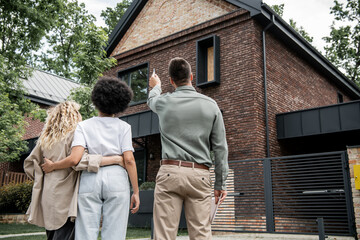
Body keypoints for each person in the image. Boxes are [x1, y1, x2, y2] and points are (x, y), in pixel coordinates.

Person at [42, 77, 140, 240]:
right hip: (117, 178)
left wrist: (53, 166)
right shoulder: (124, 127)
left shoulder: (83, 126)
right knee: (114, 232)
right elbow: (129, 160)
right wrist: (136, 191)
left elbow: (75, 159)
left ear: (96, 100)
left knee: (85, 232)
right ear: (120, 104)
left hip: (90, 177)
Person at [148, 57, 229, 240]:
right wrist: (220, 183)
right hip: (200, 175)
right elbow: (220, 147)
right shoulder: (211, 105)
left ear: (171, 80)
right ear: (191, 77)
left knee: (164, 235)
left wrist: (156, 86)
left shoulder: (164, 102)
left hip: (170, 172)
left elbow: (151, 100)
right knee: (201, 234)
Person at [24, 101, 124, 240]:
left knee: (52, 235)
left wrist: (44, 176)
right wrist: (116, 159)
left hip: (47, 194)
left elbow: (29, 165)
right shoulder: (74, 135)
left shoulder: (45, 139)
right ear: (73, 115)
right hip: (66, 195)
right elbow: (80, 160)